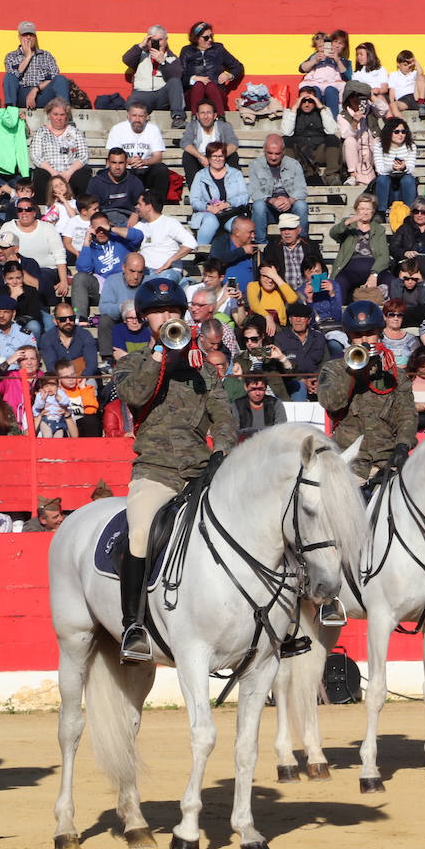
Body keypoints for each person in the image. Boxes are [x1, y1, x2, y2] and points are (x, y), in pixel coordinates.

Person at [112, 279, 236, 662]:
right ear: (145, 319)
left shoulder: (204, 369)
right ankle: (133, 625)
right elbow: (134, 396)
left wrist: (224, 452)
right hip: (155, 471)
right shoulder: (133, 363)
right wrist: (159, 355)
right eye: (158, 314)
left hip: (201, 473)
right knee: (140, 534)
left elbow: (225, 417)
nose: (166, 319)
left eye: (173, 314)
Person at [317, 299, 418, 487]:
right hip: (348, 465)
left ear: (379, 334)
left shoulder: (395, 374)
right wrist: (353, 370)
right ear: (349, 338)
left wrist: (402, 446)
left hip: (387, 464)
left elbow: (406, 415)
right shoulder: (333, 369)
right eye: (358, 335)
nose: (364, 341)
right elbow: (332, 402)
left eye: (370, 334)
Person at [248, 134, 310, 244]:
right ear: (264, 150)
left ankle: (302, 242)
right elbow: (253, 191)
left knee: (301, 205)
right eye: (270, 153)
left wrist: (290, 200)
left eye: (277, 154)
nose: (273, 157)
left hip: (289, 207)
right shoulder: (255, 165)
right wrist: (271, 200)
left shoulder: (294, 164)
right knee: (258, 205)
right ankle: (260, 244)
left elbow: (302, 189)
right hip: (268, 208)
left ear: (283, 152)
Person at [27, 99, 91, 201]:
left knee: (83, 174)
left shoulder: (75, 132)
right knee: (40, 174)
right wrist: (54, 173)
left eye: (62, 115)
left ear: (66, 116)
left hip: (70, 171)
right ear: (49, 115)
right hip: (49, 170)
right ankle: (42, 206)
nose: (59, 118)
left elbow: (84, 155)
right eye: (55, 114)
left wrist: (68, 172)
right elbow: (35, 155)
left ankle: (81, 206)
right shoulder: (41, 132)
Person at [124, 26, 186, 128]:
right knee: (132, 102)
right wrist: (141, 45)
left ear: (166, 40)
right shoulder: (140, 54)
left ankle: (178, 118)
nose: (158, 43)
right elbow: (127, 60)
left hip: (162, 95)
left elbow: (176, 77)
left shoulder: (172, 58)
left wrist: (163, 62)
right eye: (153, 40)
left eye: (160, 40)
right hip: (143, 93)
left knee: (175, 81)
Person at [179, 22, 243, 117]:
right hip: (193, 93)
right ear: (196, 38)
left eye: (211, 36)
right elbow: (180, 76)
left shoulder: (218, 49)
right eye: (206, 37)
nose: (210, 40)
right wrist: (193, 79)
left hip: (216, 91)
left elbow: (238, 67)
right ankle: (195, 118)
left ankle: (221, 117)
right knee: (199, 85)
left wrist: (229, 75)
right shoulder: (187, 51)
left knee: (210, 86)